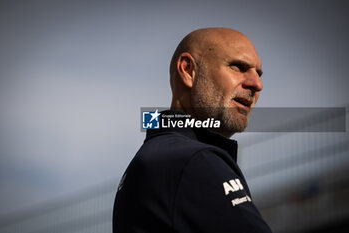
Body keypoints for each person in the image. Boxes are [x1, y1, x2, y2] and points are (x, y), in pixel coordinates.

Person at [113, 28, 272, 233]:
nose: (257, 84)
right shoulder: (193, 159)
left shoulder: (155, 156)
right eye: (238, 67)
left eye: (258, 74)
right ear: (188, 71)